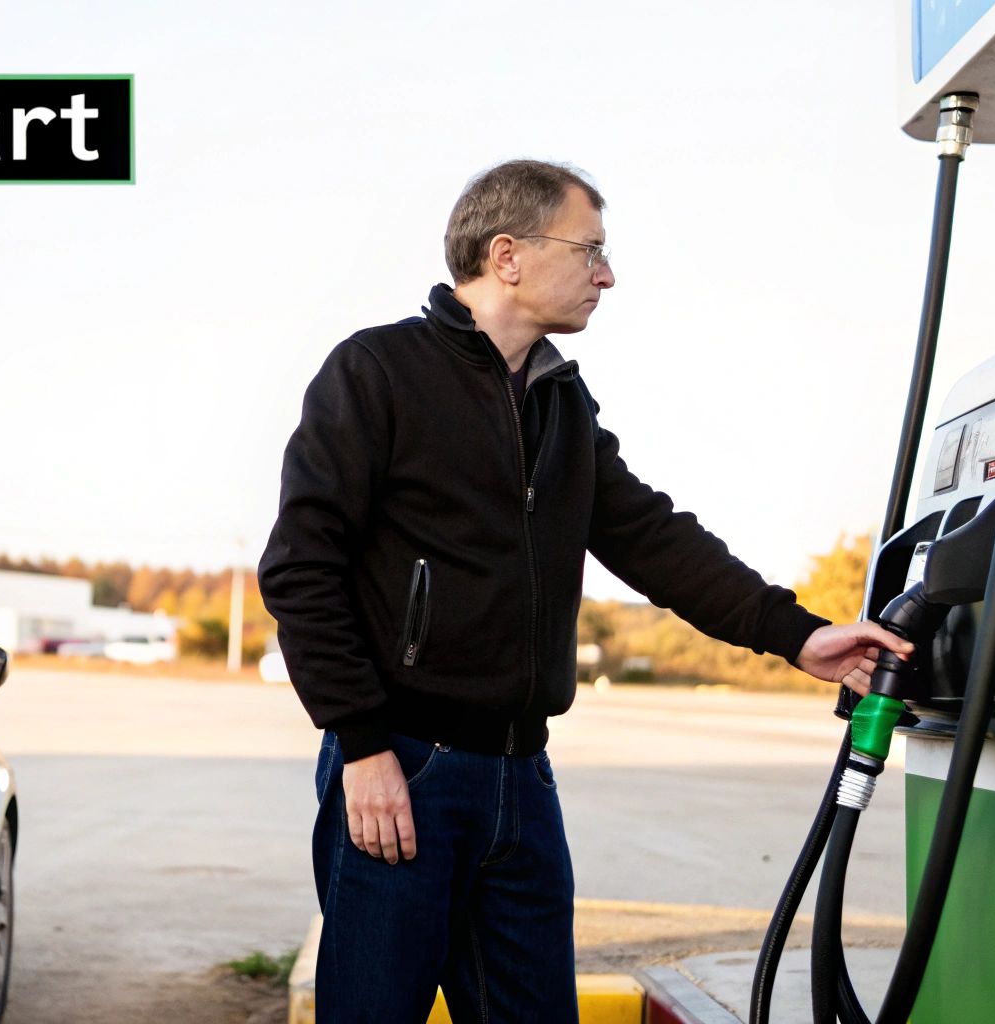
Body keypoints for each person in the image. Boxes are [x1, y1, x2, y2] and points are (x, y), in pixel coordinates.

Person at [256, 159, 911, 1023]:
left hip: (523, 783)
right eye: (591, 249)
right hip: (404, 771)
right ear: (508, 254)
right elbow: (300, 569)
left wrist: (796, 634)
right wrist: (364, 744)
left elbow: (652, 537)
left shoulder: (561, 400)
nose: (607, 274)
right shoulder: (376, 371)